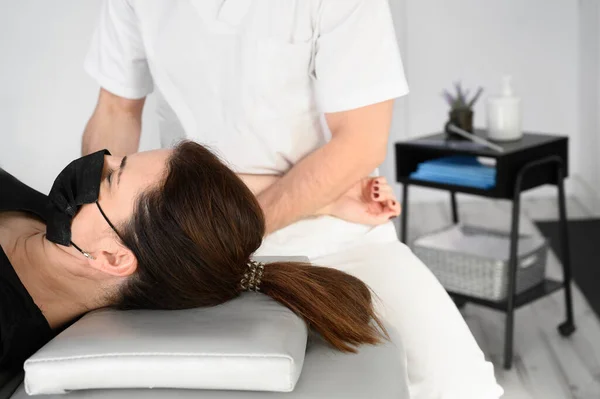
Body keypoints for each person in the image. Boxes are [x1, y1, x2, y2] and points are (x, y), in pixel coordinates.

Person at [81, 1, 504, 397]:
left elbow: (360, 142)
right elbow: (116, 109)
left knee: (460, 382)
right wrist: (93, 225)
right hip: (188, 240)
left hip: (335, 240)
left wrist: (226, 233)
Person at [0, 141, 398, 374]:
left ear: (113, 258)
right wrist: (324, 197)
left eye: (110, 177)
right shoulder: (54, 226)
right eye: (119, 159)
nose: (99, 159)